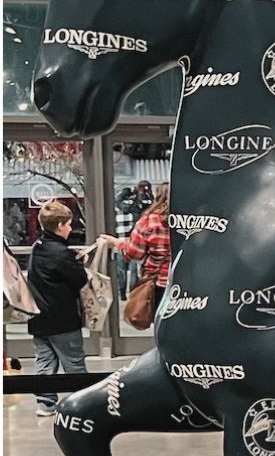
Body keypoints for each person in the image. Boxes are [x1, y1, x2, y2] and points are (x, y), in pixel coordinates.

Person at [27, 201, 88, 418]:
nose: (71, 228)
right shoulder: (61, 253)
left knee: (44, 363)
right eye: (69, 224)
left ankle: (46, 405)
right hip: (63, 320)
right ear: (60, 225)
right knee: (74, 364)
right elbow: (79, 280)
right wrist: (80, 263)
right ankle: (82, 404)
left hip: (38, 318)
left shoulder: (38, 247)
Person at [99, 182, 170, 311]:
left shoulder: (148, 221)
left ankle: (123, 293)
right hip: (185, 283)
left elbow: (134, 253)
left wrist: (116, 242)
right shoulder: (189, 222)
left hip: (157, 282)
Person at [113, 179, 153, 299]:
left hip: (120, 241)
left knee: (121, 270)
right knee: (134, 270)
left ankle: (122, 294)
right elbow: (141, 208)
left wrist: (129, 193)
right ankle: (132, 292)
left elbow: (120, 203)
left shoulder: (119, 207)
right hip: (134, 242)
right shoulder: (141, 205)